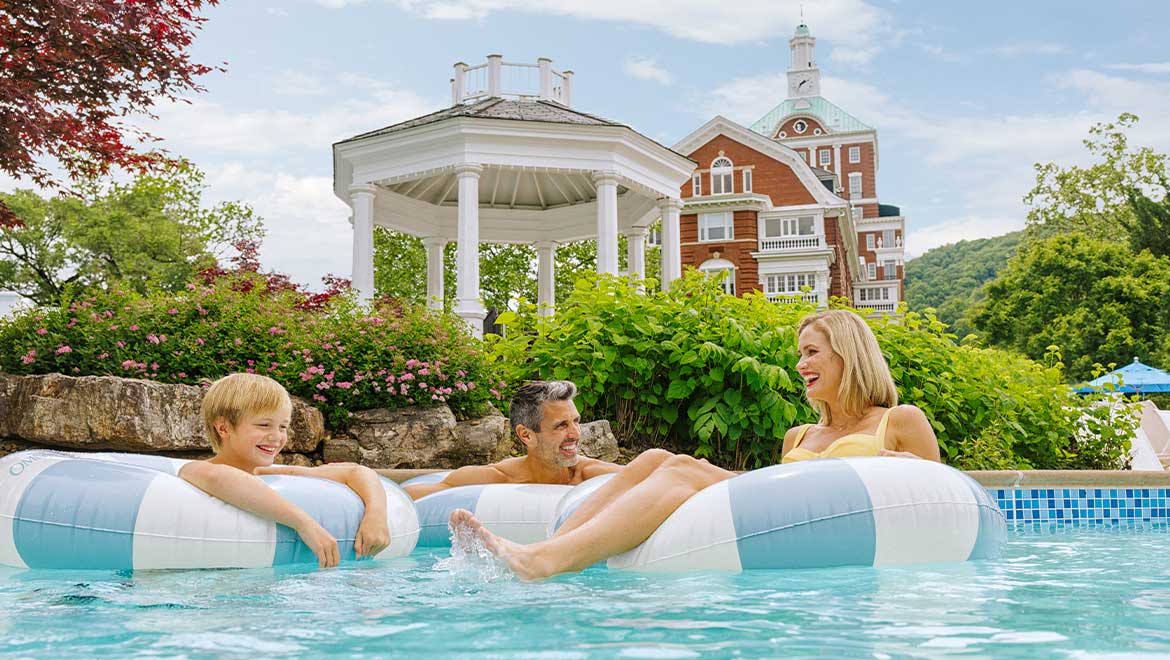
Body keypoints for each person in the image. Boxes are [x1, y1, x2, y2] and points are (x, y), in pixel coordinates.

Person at [451, 309, 942, 579]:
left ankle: (544, 561)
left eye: (811, 352)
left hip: (839, 519)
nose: (800, 365)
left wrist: (910, 470)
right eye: (799, 354)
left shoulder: (899, 420)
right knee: (656, 458)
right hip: (783, 505)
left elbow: (945, 504)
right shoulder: (799, 435)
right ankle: (543, 549)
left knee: (683, 467)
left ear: (848, 356)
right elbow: (778, 495)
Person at [178, 373, 391, 568]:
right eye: (264, 425)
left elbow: (356, 472)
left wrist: (376, 515)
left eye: (282, 427)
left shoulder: (270, 474)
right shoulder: (196, 470)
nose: (277, 437)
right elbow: (220, 478)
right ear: (224, 428)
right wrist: (304, 524)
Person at [404, 380, 621, 500]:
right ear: (526, 435)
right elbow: (405, 498)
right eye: (561, 425)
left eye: (576, 421)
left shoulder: (590, 474)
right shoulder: (496, 478)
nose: (575, 434)